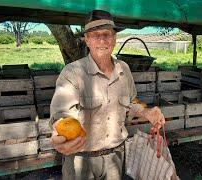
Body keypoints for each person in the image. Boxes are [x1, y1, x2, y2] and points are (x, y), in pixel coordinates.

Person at [49, 10, 166, 180]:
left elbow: (132, 101)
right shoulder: (72, 73)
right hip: (81, 160)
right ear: (86, 40)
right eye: (95, 35)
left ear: (115, 39)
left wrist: (146, 112)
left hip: (115, 157)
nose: (102, 40)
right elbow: (61, 115)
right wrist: (59, 134)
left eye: (107, 34)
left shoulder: (124, 69)